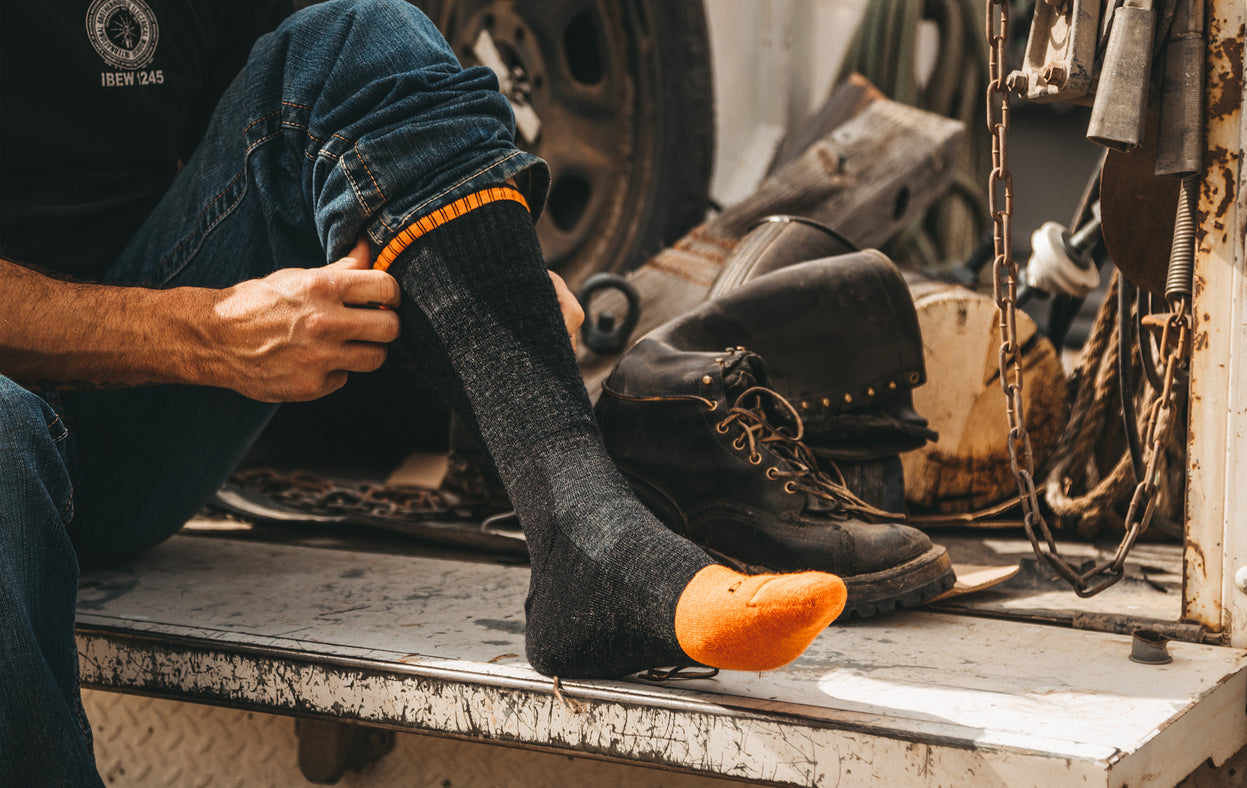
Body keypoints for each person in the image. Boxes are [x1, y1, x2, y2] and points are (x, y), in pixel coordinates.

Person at [0, 1, 848, 784]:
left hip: (127, 425)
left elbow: (325, 126)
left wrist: (479, 267)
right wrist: (208, 329)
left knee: (358, 37)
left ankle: (590, 539)